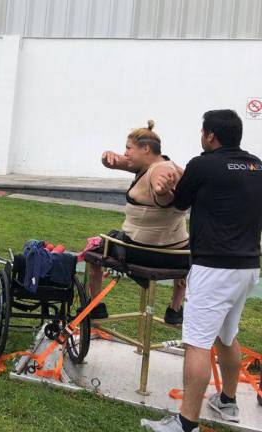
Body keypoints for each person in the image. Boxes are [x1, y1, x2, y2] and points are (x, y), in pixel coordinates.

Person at [142, 110, 262, 432]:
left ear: (210, 135)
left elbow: (177, 204)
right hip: (248, 267)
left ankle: (186, 424)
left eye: (202, 133)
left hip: (213, 268)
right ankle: (227, 401)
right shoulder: (257, 166)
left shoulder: (202, 164)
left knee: (196, 343)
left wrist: (163, 186)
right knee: (227, 335)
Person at [87, 120, 189, 325]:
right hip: (179, 255)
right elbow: (116, 162)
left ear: (146, 149)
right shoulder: (164, 165)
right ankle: (175, 309)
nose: (125, 153)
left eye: (128, 148)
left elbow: (162, 194)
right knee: (186, 241)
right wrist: (107, 156)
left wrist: (163, 192)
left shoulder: (159, 171)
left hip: (141, 253)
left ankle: (95, 307)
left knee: (94, 249)